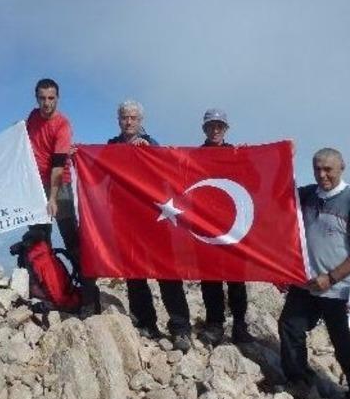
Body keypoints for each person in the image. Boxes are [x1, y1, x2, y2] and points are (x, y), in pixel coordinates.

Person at [278, 148, 350, 399]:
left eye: (328, 169)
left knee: (349, 347)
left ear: (342, 167)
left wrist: (331, 278)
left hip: (341, 290)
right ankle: (299, 381)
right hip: (306, 285)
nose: (322, 175)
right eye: (317, 169)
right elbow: (276, 195)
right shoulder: (307, 195)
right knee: (290, 327)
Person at [108, 100, 193, 352]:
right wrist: (77, 153)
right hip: (127, 219)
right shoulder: (111, 146)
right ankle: (146, 323)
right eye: (125, 117)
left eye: (133, 117)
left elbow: (167, 167)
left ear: (141, 121)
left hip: (156, 218)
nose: (129, 121)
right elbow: (97, 165)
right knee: (134, 273)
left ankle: (180, 328)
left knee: (167, 272)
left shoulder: (152, 144)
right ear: (119, 120)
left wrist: (149, 152)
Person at [26, 78, 100, 316]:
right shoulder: (32, 117)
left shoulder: (62, 124)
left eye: (51, 98)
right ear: (36, 98)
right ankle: (50, 292)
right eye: (42, 98)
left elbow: (58, 166)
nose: (46, 103)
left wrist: (53, 198)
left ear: (57, 98)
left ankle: (89, 299)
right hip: (35, 185)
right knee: (39, 241)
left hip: (60, 187)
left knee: (72, 240)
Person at [196, 108, 254, 346]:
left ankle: (240, 324)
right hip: (205, 226)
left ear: (225, 129)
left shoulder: (236, 154)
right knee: (210, 278)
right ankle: (214, 323)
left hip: (234, 225)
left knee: (236, 277)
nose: (215, 130)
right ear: (205, 129)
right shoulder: (194, 156)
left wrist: (248, 158)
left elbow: (256, 180)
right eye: (211, 126)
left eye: (219, 126)